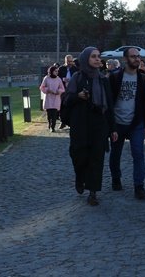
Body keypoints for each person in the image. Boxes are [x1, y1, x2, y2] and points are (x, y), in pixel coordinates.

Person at [63, 47, 117, 206]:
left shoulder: (103, 80)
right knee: (79, 156)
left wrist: (112, 128)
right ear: (86, 58)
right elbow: (67, 100)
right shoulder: (77, 78)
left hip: (99, 124)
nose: (97, 59)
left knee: (97, 158)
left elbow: (110, 105)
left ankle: (93, 192)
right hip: (80, 124)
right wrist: (78, 96)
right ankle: (80, 177)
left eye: (98, 56)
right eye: (93, 56)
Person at [108, 47, 145, 200]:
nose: (137, 59)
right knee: (115, 153)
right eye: (133, 56)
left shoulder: (143, 78)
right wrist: (110, 125)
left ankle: (139, 186)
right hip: (118, 122)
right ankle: (116, 178)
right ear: (125, 59)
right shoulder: (114, 77)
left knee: (138, 154)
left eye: (138, 56)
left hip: (136, 123)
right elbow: (109, 103)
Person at [40, 65, 66, 132]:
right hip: (48, 98)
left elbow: (62, 88)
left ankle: (53, 127)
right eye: (55, 71)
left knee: (54, 114)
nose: (57, 72)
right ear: (51, 71)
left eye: (57, 71)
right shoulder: (46, 78)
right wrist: (47, 90)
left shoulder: (58, 79)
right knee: (49, 114)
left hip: (56, 99)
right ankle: (49, 124)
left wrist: (58, 91)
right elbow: (42, 87)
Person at [56, 55, 78, 130]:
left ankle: (71, 122)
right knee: (62, 106)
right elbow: (57, 77)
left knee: (72, 106)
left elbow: (78, 79)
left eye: (71, 61)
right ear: (65, 61)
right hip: (63, 90)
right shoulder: (61, 69)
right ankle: (63, 121)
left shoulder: (75, 69)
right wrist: (63, 79)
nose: (69, 63)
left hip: (72, 90)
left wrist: (71, 80)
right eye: (68, 61)